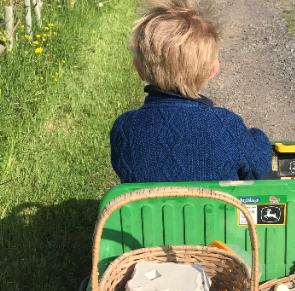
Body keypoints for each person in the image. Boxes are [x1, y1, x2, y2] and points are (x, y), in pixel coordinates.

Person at [110, 0, 272, 183]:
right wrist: (258, 137)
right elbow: (258, 167)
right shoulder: (226, 126)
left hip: (148, 212)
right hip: (217, 211)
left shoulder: (124, 129)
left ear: (138, 70)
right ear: (213, 70)